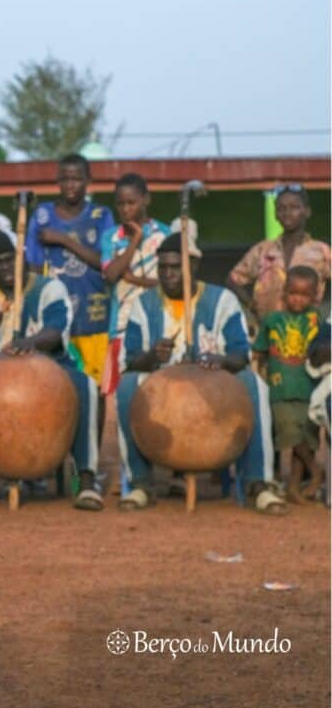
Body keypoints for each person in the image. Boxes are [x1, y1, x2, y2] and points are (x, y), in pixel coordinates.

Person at [116, 232, 282, 515]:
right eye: (163, 267)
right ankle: (141, 482)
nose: (167, 274)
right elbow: (131, 360)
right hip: (163, 392)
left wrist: (220, 361)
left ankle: (259, 483)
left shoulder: (222, 300)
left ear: (192, 268)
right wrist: (151, 356)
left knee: (254, 383)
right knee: (128, 385)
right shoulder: (143, 305)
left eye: (175, 267)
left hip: (214, 387)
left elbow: (240, 354)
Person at [0, 226, 103, 511]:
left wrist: (29, 341)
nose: (6, 267)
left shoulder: (49, 288)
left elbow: (56, 330)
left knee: (86, 386)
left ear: (21, 259)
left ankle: (87, 479)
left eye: (10, 259)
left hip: (49, 371)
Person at [25, 154, 115, 386]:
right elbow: (33, 268)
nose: (70, 185)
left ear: (88, 181)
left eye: (76, 179)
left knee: (97, 388)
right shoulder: (42, 216)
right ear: (57, 181)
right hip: (54, 321)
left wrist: (63, 240)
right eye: (65, 179)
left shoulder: (101, 216)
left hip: (94, 317)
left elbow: (106, 263)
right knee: (56, 386)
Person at [252, 266, 324, 502]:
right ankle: (316, 472)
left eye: (305, 295)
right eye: (293, 293)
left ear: (315, 296)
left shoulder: (316, 320)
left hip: (308, 389)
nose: (298, 299)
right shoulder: (273, 320)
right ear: (284, 293)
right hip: (280, 389)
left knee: (306, 436)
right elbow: (259, 352)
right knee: (291, 435)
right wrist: (256, 379)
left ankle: (293, 487)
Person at [100, 173, 171, 394]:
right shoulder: (110, 237)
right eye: (120, 204)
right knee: (117, 396)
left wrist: (133, 279)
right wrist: (136, 240)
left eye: (131, 202)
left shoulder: (165, 235)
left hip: (158, 327)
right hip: (120, 329)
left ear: (146, 200)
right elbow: (111, 275)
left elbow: (169, 284)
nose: (125, 209)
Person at [228, 185, 330, 324]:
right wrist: (252, 305)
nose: (287, 213)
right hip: (267, 331)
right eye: (281, 208)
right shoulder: (262, 250)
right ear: (275, 214)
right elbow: (233, 280)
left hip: (307, 333)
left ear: (307, 211)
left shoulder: (321, 251)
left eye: (294, 207)